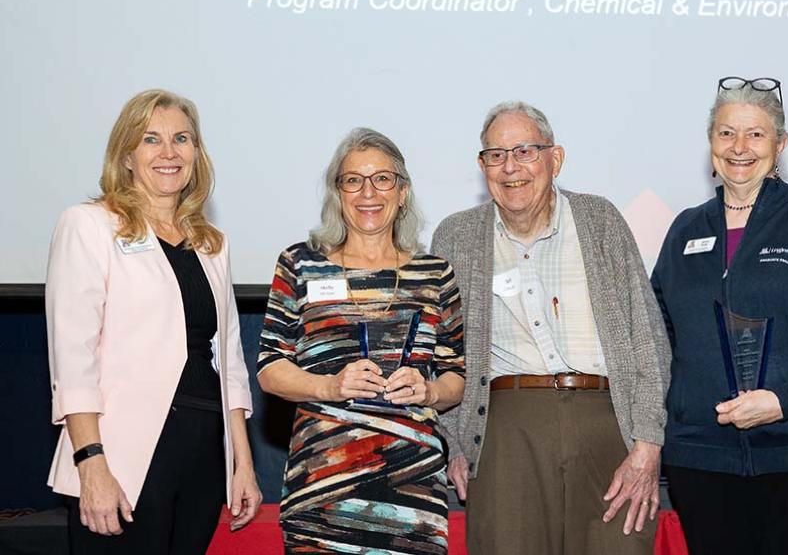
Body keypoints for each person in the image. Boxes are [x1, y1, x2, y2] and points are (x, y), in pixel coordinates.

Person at [650, 77, 788, 555]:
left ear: (781, 144)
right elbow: (658, 332)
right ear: (710, 142)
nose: (739, 147)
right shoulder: (686, 228)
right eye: (726, 132)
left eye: (755, 133)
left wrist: (785, 399)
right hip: (703, 457)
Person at [430, 101, 669, 555]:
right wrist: (456, 443)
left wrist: (647, 444)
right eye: (495, 155)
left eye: (525, 151)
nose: (510, 168)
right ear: (481, 166)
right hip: (505, 431)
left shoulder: (600, 220)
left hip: (608, 423)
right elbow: (442, 352)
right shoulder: (455, 237)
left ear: (554, 159)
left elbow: (648, 340)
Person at [45, 89, 261, 553]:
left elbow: (231, 363)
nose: (169, 152)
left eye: (182, 138)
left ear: (196, 153)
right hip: (124, 456)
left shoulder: (212, 243)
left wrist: (242, 463)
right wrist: (91, 462)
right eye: (151, 139)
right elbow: (72, 359)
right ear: (126, 155)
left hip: (204, 453)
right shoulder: (89, 225)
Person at [257, 127, 465, 553]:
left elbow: (455, 378)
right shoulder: (301, 264)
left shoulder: (434, 273)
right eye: (353, 180)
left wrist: (428, 390)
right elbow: (269, 369)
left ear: (402, 190)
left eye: (382, 179)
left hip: (413, 490)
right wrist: (328, 386)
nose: (368, 192)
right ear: (338, 191)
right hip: (323, 488)